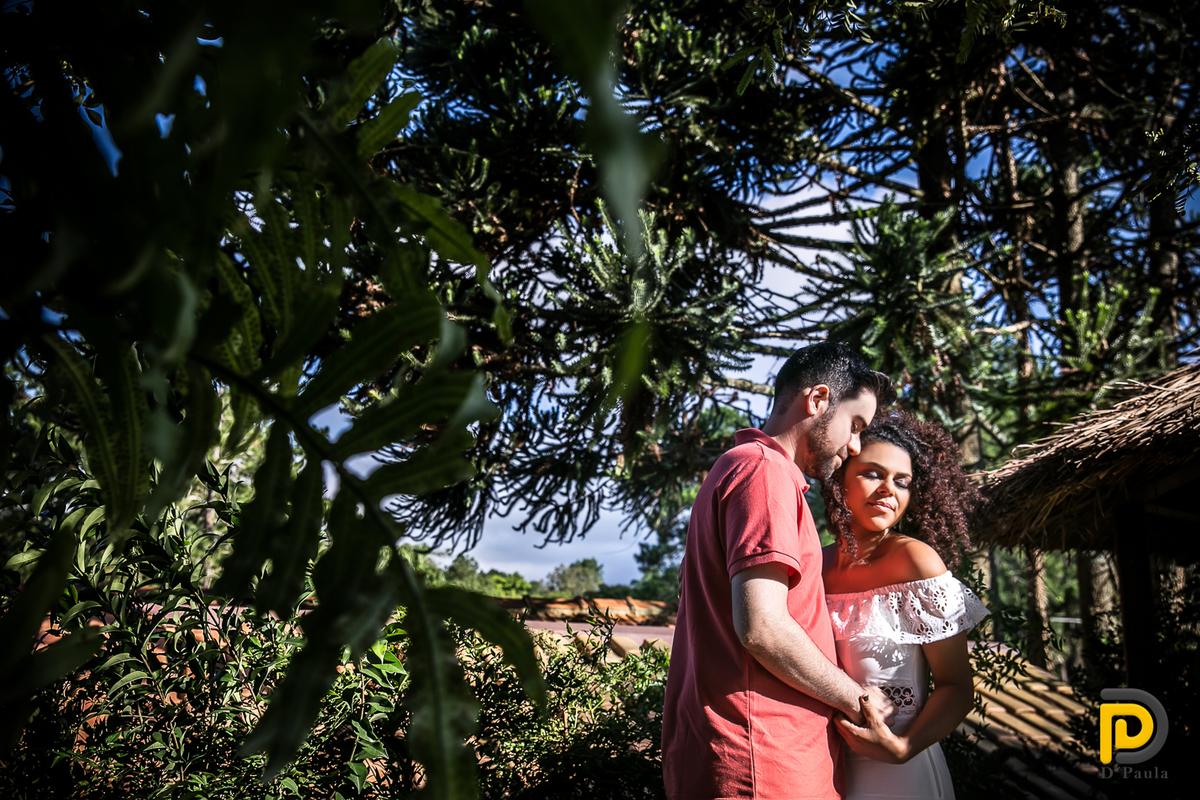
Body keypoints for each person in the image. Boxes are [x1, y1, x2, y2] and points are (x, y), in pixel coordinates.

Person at [663, 343, 897, 800]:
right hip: (762, 764)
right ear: (818, 400)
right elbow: (763, 628)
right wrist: (861, 700)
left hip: (755, 758)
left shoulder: (748, 469)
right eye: (854, 426)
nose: (855, 446)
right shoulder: (763, 472)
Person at [820, 410, 989, 800]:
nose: (888, 490)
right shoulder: (813, 565)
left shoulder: (916, 562)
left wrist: (903, 748)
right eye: (873, 473)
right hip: (821, 769)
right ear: (838, 479)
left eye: (902, 481)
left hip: (900, 774)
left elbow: (956, 686)